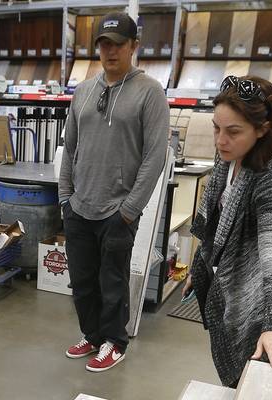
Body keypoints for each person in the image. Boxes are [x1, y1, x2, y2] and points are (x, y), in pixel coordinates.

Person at [58, 11, 169, 373]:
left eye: (118, 44)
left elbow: (156, 157)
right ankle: (91, 335)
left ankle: (114, 342)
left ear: (134, 46)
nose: (110, 51)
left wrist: (130, 209)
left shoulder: (149, 92)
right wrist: (65, 199)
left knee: (112, 281)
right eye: (104, 44)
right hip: (79, 207)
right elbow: (70, 148)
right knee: (82, 281)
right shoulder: (84, 91)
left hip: (117, 211)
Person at [184, 75, 272, 387]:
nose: (220, 140)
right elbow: (216, 217)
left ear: (262, 129)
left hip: (263, 292)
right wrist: (201, 263)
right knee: (230, 358)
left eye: (233, 131)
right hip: (229, 276)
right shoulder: (229, 153)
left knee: (251, 372)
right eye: (216, 127)